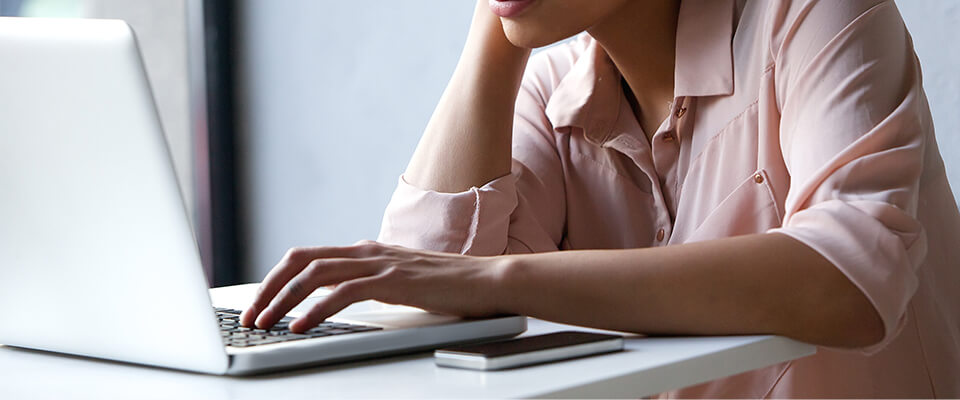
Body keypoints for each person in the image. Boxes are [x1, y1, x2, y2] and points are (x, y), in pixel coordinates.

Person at [240, 0, 960, 397]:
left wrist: (504, 283)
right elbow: (425, 300)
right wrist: (494, 36)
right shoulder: (548, 86)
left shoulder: (812, 13)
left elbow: (853, 282)